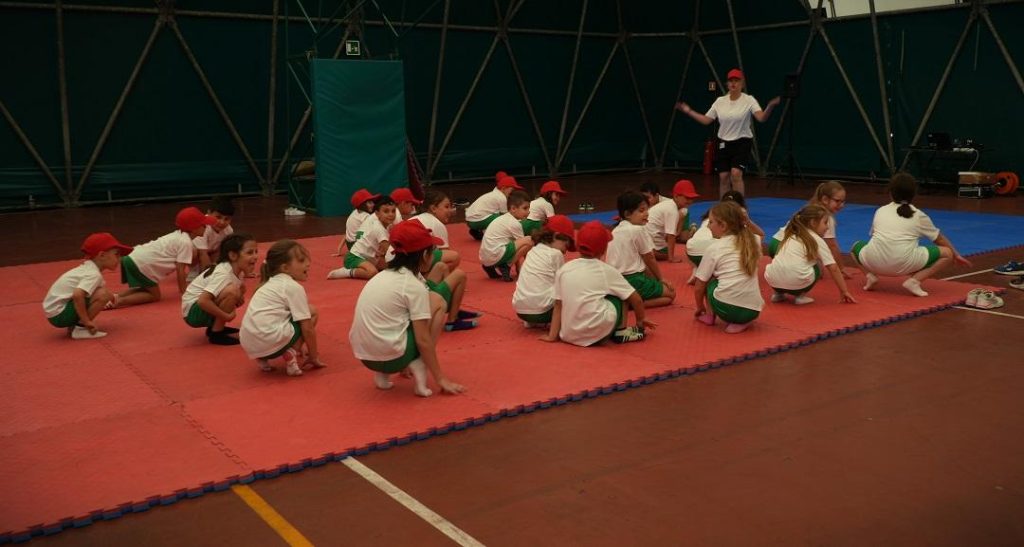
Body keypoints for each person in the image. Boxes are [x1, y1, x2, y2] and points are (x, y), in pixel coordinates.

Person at [349, 219, 466, 397]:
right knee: (439, 303)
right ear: (424, 255)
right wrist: (441, 378)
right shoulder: (411, 285)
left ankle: (382, 375)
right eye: (433, 250)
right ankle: (419, 363)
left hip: (366, 358)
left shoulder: (380, 277)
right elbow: (423, 339)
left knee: (400, 317)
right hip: (395, 358)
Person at [851, 173, 971, 297]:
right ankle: (914, 281)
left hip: (874, 262)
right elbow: (939, 239)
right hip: (903, 266)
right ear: (914, 194)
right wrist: (956, 255)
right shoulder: (918, 215)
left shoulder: (880, 210)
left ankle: (870, 276)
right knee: (947, 254)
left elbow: (874, 236)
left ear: (890, 193)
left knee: (855, 246)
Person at [541, 221, 655, 346]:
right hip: (597, 333)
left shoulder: (564, 269)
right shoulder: (606, 270)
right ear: (604, 248)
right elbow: (636, 299)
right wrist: (640, 321)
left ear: (578, 245)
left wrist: (552, 336)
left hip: (568, 335)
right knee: (621, 295)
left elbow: (558, 305)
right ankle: (620, 332)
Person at [676, 68, 780, 196]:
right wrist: (688, 111)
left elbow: (761, 118)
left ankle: (739, 205)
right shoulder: (720, 101)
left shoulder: (749, 100)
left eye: (736, 80)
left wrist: (770, 106)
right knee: (724, 177)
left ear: (742, 84)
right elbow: (706, 120)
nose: (733, 83)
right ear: (727, 84)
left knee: (736, 174)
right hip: (723, 143)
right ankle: (724, 205)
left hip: (742, 142)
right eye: (731, 81)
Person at [240, 239, 324, 376]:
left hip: (249, 344)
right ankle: (291, 353)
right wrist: (313, 355)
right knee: (311, 312)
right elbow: (307, 327)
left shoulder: (267, 285)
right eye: (301, 260)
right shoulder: (292, 287)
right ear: (285, 268)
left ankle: (262, 359)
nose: (308, 264)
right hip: (270, 340)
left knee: (273, 319)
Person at [115, 207, 216, 308]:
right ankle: (120, 302)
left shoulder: (178, 236)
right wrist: (185, 292)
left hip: (132, 258)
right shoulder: (186, 242)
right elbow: (180, 270)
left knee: (145, 289)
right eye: (203, 225)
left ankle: (115, 297)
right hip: (140, 263)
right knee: (154, 296)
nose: (206, 227)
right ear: (193, 228)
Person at [42, 232, 131, 340]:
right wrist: (86, 321)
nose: (120, 258)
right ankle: (81, 328)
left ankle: (75, 326)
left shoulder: (87, 269)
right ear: (102, 255)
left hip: (55, 312)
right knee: (104, 294)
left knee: (102, 292)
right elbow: (77, 295)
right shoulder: (93, 274)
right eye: (116, 254)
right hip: (59, 315)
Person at [693, 201, 764, 334]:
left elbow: (699, 286)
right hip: (753, 311)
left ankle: (709, 315)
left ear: (723, 226)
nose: (708, 226)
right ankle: (743, 321)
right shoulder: (753, 241)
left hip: (725, 310)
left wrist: (700, 307)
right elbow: (760, 234)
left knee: (710, 280)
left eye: (711, 222)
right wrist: (747, 222)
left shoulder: (714, 248)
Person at [764, 205, 856, 305]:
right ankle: (800, 296)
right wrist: (844, 291)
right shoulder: (816, 239)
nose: (827, 227)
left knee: (783, 265)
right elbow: (833, 267)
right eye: (825, 223)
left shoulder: (791, 234)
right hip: (796, 283)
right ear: (813, 223)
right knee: (816, 267)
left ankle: (778, 294)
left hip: (772, 280)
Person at [181, 234, 258, 345]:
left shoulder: (237, 271)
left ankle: (214, 327)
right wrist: (225, 316)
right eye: (250, 253)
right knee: (232, 291)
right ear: (233, 255)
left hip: (198, 308)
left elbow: (238, 297)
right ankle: (216, 334)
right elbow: (203, 301)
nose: (255, 256)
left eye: (256, 252)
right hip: (192, 313)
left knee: (238, 289)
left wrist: (238, 297)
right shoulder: (223, 273)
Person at [767, 181, 854, 279]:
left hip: (774, 243)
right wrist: (841, 268)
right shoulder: (825, 218)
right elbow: (832, 245)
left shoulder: (809, 208)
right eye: (837, 201)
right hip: (782, 247)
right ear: (825, 199)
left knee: (814, 257)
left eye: (843, 202)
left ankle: (784, 266)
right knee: (816, 271)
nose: (841, 205)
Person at [607, 191, 676, 308]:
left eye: (647, 210)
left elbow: (643, 262)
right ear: (628, 214)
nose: (647, 214)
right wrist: (661, 279)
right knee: (671, 295)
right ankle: (633, 304)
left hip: (613, 280)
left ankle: (630, 300)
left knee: (653, 281)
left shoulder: (616, 230)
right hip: (633, 280)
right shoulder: (638, 229)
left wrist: (654, 280)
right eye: (641, 210)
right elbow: (649, 258)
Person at [512, 215, 575, 328]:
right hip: (543, 313)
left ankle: (532, 321)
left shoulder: (533, 250)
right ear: (555, 236)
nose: (565, 251)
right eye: (566, 245)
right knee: (571, 289)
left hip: (521, 311)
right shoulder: (556, 254)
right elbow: (562, 285)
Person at [685, 191, 762, 269]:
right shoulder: (732, 220)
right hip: (709, 253)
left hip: (692, 251)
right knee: (750, 242)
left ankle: (701, 268)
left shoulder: (712, 215)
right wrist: (747, 221)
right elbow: (760, 235)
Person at [327, 196, 397, 280]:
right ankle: (347, 272)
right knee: (372, 272)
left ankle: (367, 266)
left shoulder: (386, 225)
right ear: (377, 214)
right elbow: (389, 250)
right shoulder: (378, 228)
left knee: (393, 266)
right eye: (386, 211)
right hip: (354, 257)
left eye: (393, 211)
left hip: (370, 258)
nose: (391, 214)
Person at [479, 190, 533, 281]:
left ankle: (491, 266)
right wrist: (522, 270)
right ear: (513, 208)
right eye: (525, 208)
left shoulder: (503, 218)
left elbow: (516, 246)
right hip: (495, 255)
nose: (528, 212)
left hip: (485, 258)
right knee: (529, 241)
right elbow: (523, 249)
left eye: (528, 209)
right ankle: (506, 266)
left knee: (518, 242)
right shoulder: (514, 223)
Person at [646, 179, 700, 263]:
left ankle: (648, 251)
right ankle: (650, 252)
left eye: (692, 198)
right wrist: (671, 257)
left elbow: (671, 233)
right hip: (650, 240)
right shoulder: (672, 210)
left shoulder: (670, 205)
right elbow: (671, 236)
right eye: (687, 198)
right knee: (666, 253)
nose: (690, 201)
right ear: (676, 196)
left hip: (648, 238)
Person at [411, 189, 461, 270]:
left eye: (450, 207)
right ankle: (430, 276)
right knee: (454, 257)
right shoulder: (437, 224)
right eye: (446, 207)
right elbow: (446, 253)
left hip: (396, 258)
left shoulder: (417, 217)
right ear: (433, 208)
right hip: (411, 260)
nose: (450, 210)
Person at [465, 175, 524, 240]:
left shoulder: (494, 193)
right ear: (504, 188)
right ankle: (489, 234)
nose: (513, 192)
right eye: (512, 190)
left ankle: (477, 231)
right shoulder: (501, 198)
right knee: (502, 218)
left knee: (494, 213)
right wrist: (519, 221)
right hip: (477, 221)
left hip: (470, 221)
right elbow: (506, 216)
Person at [338, 188, 379, 256]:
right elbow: (361, 233)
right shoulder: (366, 216)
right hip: (358, 247)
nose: (373, 205)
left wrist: (339, 248)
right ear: (362, 205)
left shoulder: (354, 213)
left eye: (372, 202)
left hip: (350, 245)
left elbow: (347, 233)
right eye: (370, 203)